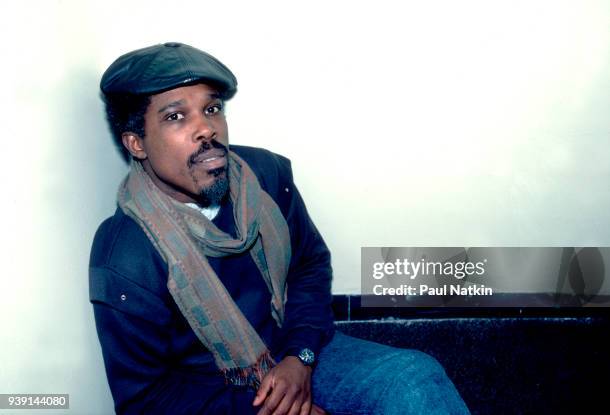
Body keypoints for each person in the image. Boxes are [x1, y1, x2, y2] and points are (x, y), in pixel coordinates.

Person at [89, 42, 470, 415]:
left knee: (413, 378)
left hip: (294, 346)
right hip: (217, 391)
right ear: (136, 143)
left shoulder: (265, 178)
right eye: (176, 117)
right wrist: (272, 408)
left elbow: (309, 265)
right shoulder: (126, 255)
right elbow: (145, 400)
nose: (206, 129)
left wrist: (299, 357)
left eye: (212, 108)